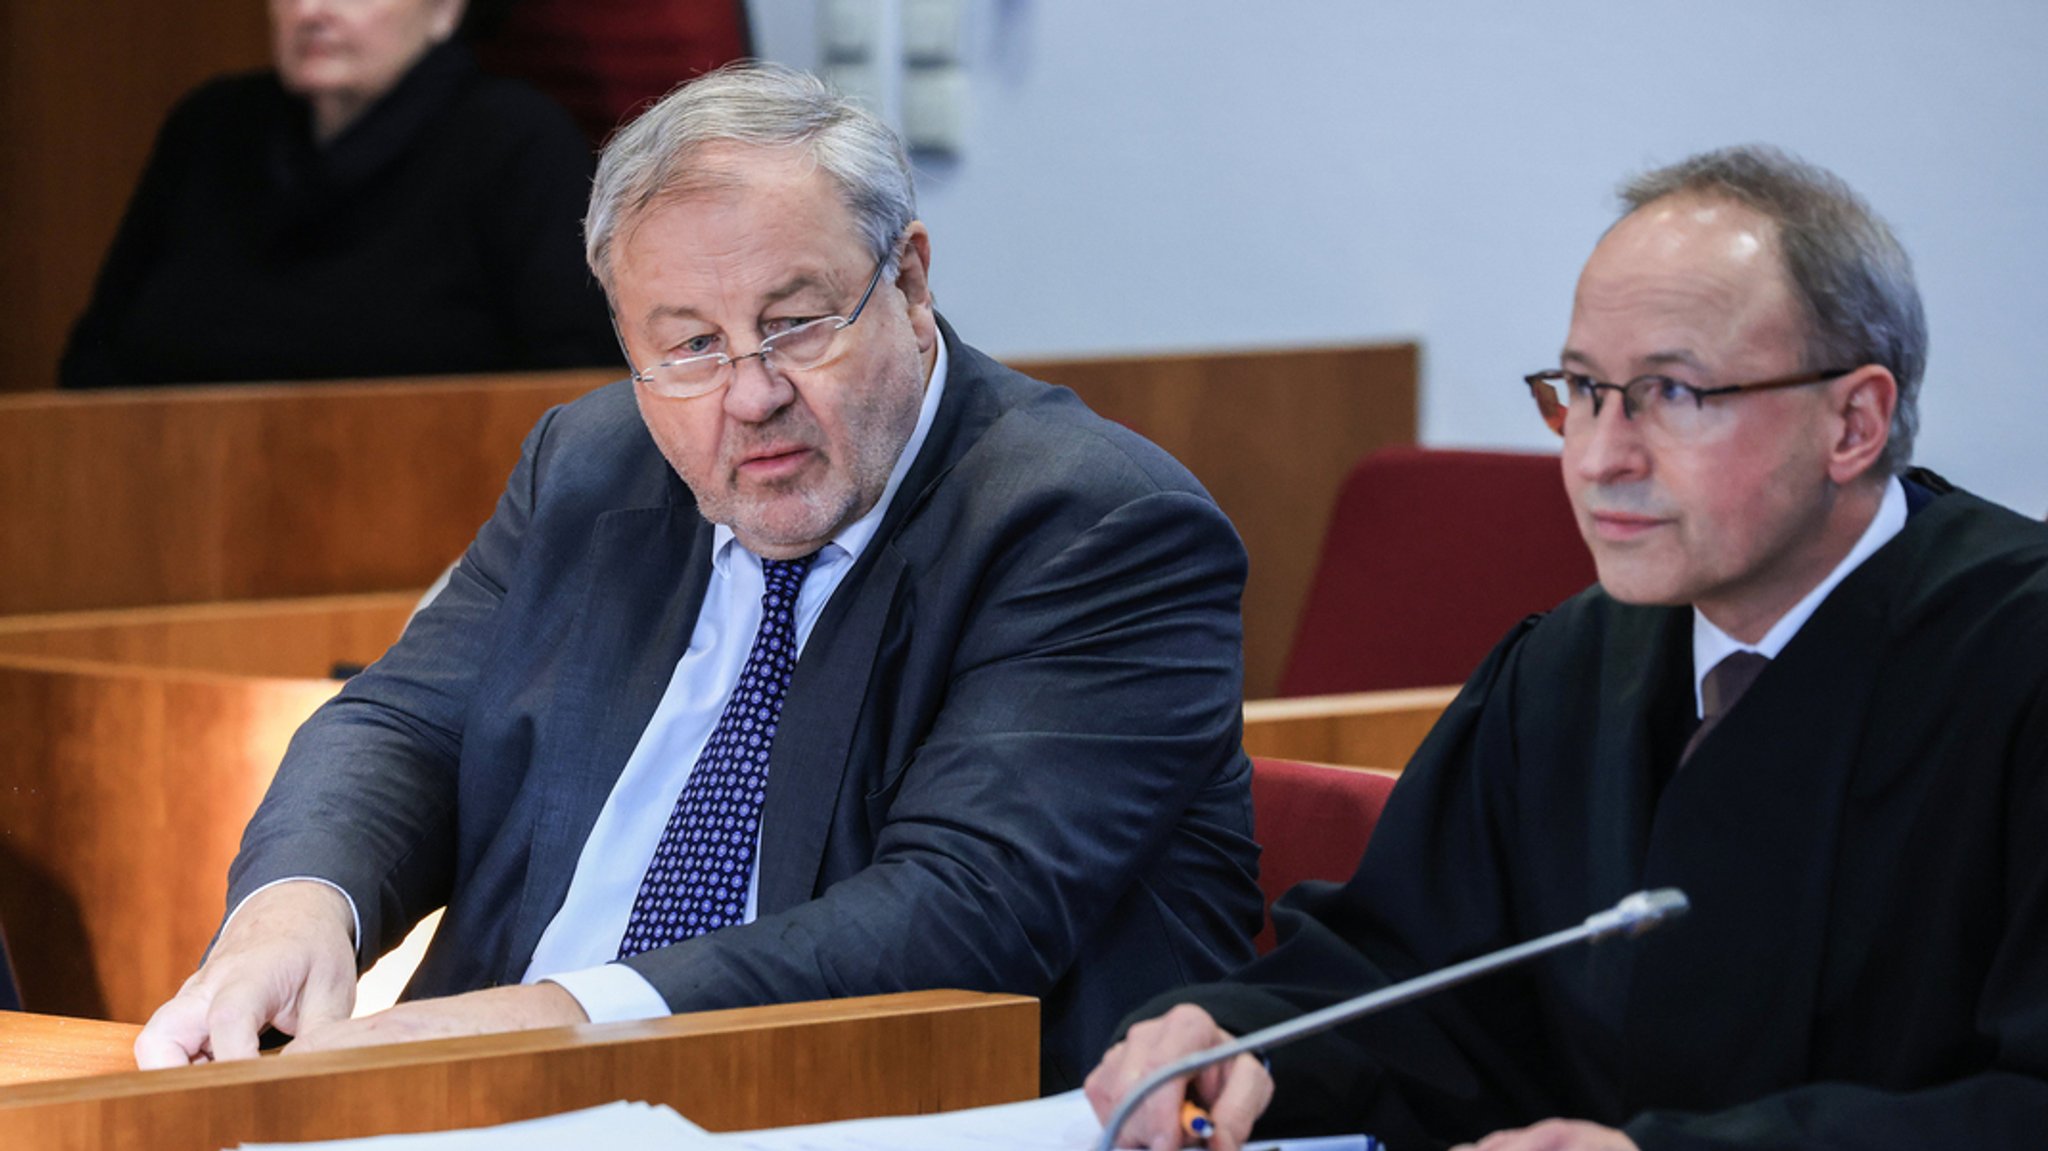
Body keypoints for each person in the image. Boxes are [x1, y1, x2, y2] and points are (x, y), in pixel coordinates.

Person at [134, 62, 1261, 1092]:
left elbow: (960, 913)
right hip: (487, 1101)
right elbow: (405, 723)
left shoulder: (1093, 522)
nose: (750, 391)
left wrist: (560, 1019)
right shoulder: (591, 462)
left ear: (910, 283)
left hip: (869, 1101)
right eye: (687, 346)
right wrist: (294, 908)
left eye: (796, 323)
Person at [1088, 144, 2048, 1150]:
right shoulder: (1569, 665)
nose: (1597, 456)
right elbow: (1413, 994)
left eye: (1671, 394)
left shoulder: (2015, 661)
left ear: (1851, 421)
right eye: (1581, 389)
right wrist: (1248, 1043)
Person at [60, 0, 616, 389]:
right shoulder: (209, 127)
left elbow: (573, 384)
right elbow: (94, 364)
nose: (309, 11)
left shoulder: (514, 139)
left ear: (447, 9)